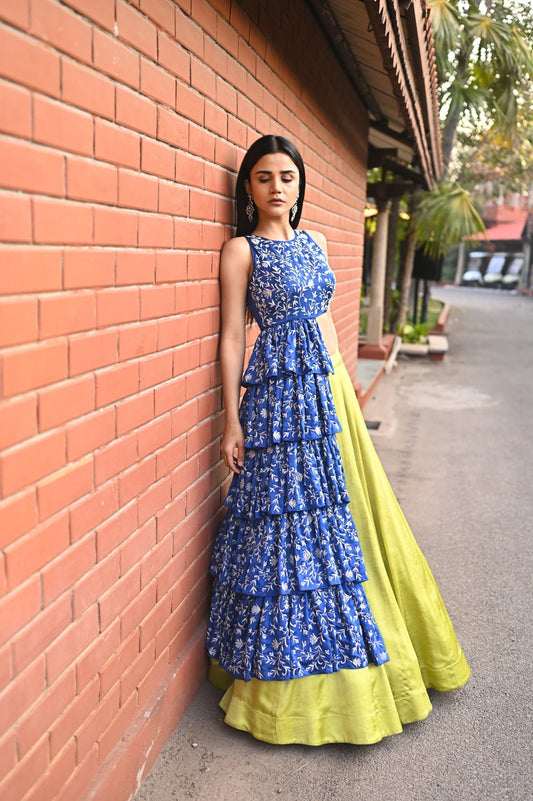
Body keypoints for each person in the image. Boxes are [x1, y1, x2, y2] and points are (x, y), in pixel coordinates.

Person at [206, 134, 470, 745]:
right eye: (265, 177)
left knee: (348, 521)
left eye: (288, 177)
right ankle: (278, 686)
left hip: (326, 398)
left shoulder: (317, 242)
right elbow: (227, 338)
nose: (277, 187)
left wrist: (345, 388)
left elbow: (325, 319)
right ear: (248, 187)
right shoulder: (239, 252)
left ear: (300, 186)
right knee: (282, 525)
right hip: (275, 403)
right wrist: (230, 420)